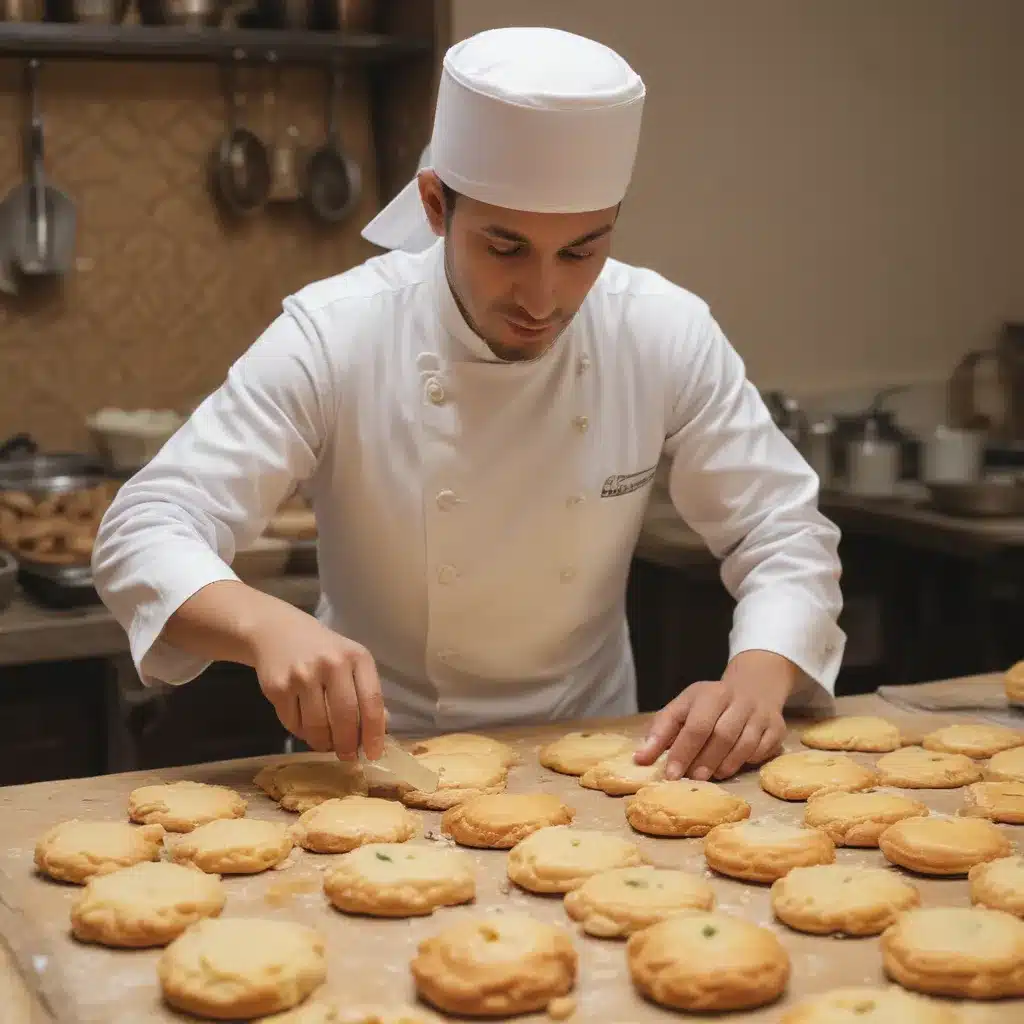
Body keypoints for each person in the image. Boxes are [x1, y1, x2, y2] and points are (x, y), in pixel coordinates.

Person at [92, 26, 845, 783]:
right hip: (373, 766)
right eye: (506, 248)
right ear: (434, 206)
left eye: (581, 251)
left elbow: (782, 531)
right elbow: (145, 526)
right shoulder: (336, 336)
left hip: (597, 764)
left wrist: (759, 676)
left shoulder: (661, 329)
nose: (543, 299)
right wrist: (263, 625)